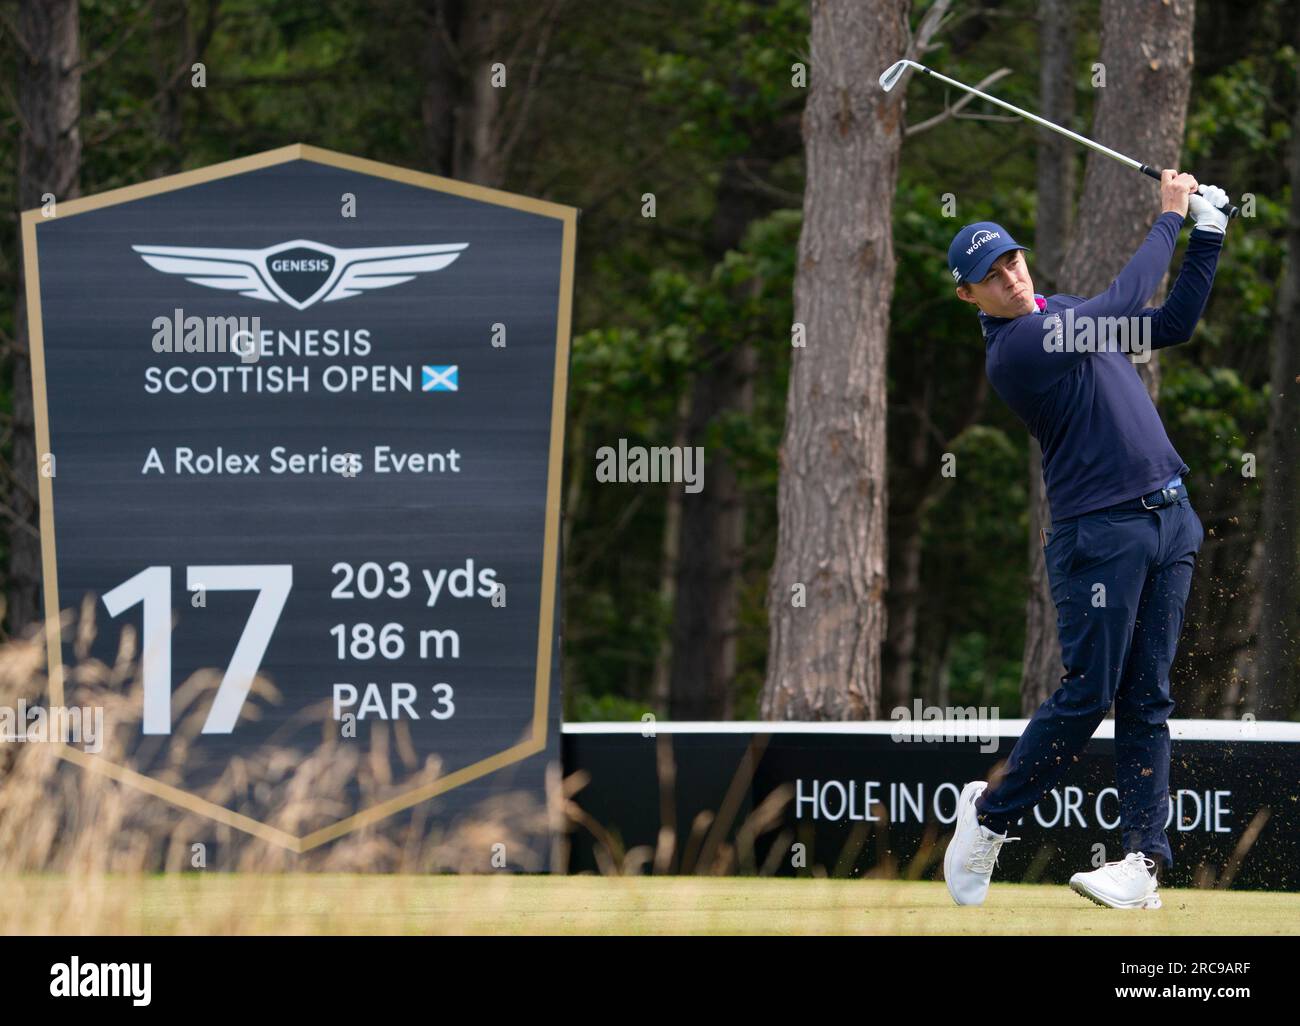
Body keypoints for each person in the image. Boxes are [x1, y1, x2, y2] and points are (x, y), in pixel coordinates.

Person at [941, 170, 1230, 909]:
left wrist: (1209, 236)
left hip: (1170, 518)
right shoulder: (1018, 348)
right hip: (1099, 533)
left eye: (1010, 260)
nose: (1008, 276)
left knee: (1148, 697)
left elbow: (1169, 325)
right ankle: (989, 817)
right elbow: (1129, 300)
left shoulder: (1061, 310)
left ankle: (1142, 864)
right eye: (989, 276)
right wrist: (1170, 217)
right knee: (1090, 693)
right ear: (968, 296)